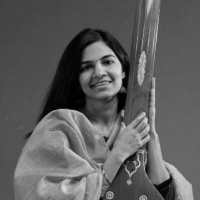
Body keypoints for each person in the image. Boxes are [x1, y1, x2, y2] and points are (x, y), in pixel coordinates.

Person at [14, 28, 193, 200]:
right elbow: (43, 195)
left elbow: (165, 195)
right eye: (86, 67)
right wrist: (118, 154)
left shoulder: (130, 126)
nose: (99, 73)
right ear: (76, 80)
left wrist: (150, 132)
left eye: (107, 62)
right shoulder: (60, 128)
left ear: (123, 71)